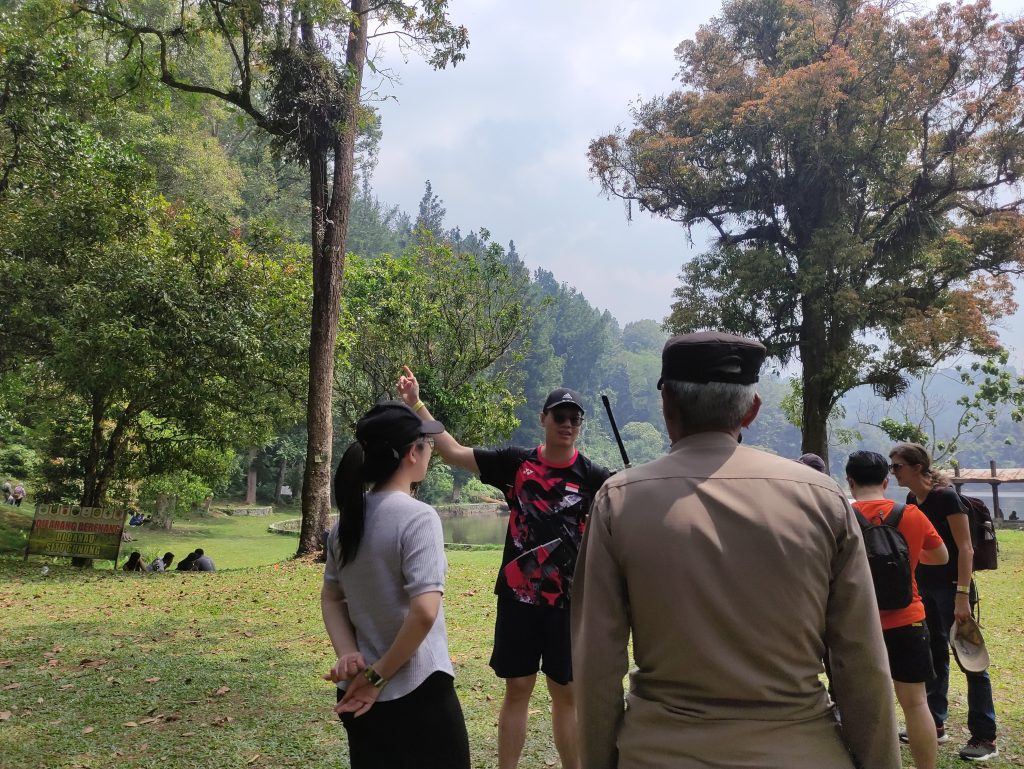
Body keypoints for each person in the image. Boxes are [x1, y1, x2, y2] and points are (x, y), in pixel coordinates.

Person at [572, 331, 899, 769]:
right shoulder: (823, 498)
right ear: (753, 409)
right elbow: (862, 662)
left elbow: (596, 663)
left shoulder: (619, 500)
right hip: (802, 752)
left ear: (666, 404)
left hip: (659, 754)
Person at [398, 366, 609, 769]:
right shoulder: (516, 463)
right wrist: (417, 405)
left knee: (566, 695)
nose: (567, 424)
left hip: (568, 605)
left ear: (580, 424)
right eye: (559, 416)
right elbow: (452, 451)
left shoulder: (595, 478)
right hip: (519, 599)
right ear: (543, 419)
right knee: (518, 688)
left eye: (574, 418)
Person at [321, 401, 469, 769]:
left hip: (360, 696)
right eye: (428, 443)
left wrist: (348, 654)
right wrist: (376, 677)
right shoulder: (419, 518)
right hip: (417, 692)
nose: (432, 450)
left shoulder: (345, 524)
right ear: (411, 453)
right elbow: (423, 612)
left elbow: (331, 599)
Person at [889, 442, 999, 761]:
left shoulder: (946, 497)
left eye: (897, 466)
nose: (892, 471)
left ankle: (984, 737)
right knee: (934, 654)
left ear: (917, 467)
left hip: (954, 589)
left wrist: (962, 595)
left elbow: (966, 548)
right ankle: (935, 721)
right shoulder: (913, 499)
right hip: (925, 589)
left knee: (970, 659)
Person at [846, 450, 949, 769]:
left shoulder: (841, 516)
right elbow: (942, 556)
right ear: (886, 480)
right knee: (917, 703)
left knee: (861, 707)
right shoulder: (911, 514)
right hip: (908, 620)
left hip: (856, 623)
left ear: (850, 482)